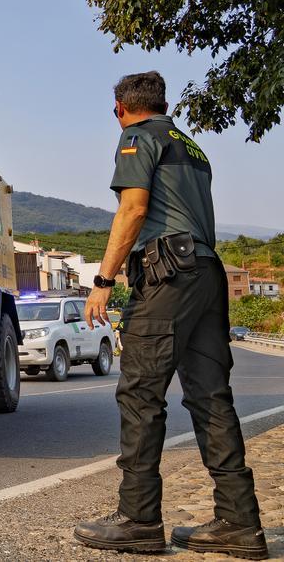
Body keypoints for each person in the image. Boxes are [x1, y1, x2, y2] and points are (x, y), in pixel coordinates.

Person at [73, 72, 265, 559]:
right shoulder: (193, 147)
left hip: (167, 276)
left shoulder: (136, 138)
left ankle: (138, 520)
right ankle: (239, 523)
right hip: (207, 274)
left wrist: (103, 281)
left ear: (120, 108)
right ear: (163, 103)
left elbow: (133, 210)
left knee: (140, 393)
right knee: (210, 398)